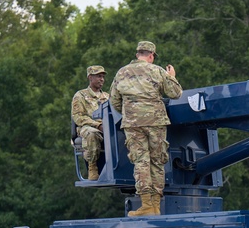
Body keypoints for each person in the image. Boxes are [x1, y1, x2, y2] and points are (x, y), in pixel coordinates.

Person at [112, 41, 182, 216]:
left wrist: (131, 112)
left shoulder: (121, 73)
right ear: (151, 56)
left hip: (133, 124)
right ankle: (156, 206)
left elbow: (114, 101)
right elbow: (176, 93)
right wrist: (171, 76)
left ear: (137, 54)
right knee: (157, 161)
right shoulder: (157, 70)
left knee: (141, 161)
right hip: (155, 121)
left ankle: (146, 205)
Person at [71, 65, 110, 180]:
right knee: (92, 133)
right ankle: (93, 167)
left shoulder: (107, 97)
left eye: (102, 76)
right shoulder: (80, 95)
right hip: (87, 127)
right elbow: (78, 117)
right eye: (98, 76)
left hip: (107, 126)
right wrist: (97, 125)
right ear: (90, 77)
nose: (101, 79)